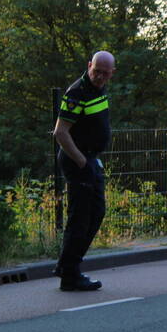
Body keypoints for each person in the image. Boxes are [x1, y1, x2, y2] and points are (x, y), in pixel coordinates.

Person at [53, 51, 116, 291]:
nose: (99, 76)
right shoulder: (77, 92)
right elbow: (60, 132)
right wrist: (82, 162)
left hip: (90, 160)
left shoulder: (98, 89)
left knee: (96, 213)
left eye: (105, 73)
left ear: (112, 73)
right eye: (96, 70)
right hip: (78, 161)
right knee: (80, 219)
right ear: (89, 66)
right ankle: (70, 274)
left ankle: (67, 265)